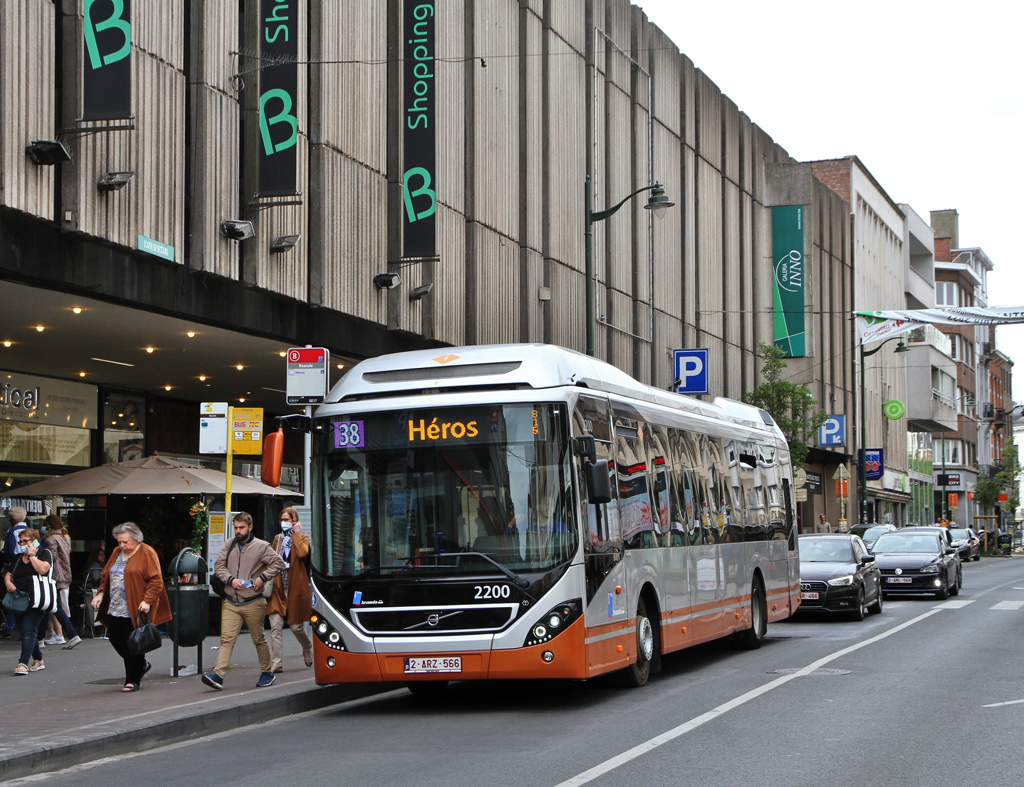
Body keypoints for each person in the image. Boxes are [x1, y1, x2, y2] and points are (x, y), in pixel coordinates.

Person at [203, 512, 285, 691]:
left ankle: (267, 672)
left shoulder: (261, 546)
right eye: (236, 528)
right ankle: (218, 675)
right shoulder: (229, 544)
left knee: (258, 639)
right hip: (232, 600)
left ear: (250, 527)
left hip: (253, 601)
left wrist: (262, 577)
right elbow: (218, 566)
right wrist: (231, 580)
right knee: (227, 639)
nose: (238, 531)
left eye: (241, 528)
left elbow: (278, 564)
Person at [90, 523, 172, 692]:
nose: (121, 546)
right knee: (114, 637)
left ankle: (132, 679)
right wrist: (100, 593)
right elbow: (106, 574)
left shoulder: (147, 552)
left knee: (132, 640)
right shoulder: (116, 552)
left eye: (125, 542)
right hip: (115, 604)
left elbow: (156, 580)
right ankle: (141, 665)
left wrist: (148, 601)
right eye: (119, 542)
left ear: (136, 539)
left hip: (135, 605)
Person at [266, 507, 313, 673]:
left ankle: (307, 647)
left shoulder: (302, 538)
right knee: (275, 627)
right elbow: (271, 559)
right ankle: (277, 662)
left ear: (295, 521)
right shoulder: (277, 539)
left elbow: (302, 553)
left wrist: (297, 534)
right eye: (282, 520)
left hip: (294, 589)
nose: (284, 523)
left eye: (287, 519)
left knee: (296, 627)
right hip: (278, 588)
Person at [4, 529, 51, 675]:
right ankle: (38, 659)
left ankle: (23, 663)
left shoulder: (44, 554)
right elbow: (9, 573)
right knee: (26, 631)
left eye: (26, 541)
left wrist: (32, 555)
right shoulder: (18, 557)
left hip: (37, 600)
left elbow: (43, 570)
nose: (23, 544)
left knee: (28, 630)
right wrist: (8, 582)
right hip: (20, 600)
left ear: (35, 541)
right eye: (21, 541)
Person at [41, 515, 81, 649]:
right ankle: (68, 634)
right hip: (63, 574)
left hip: (54, 576)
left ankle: (69, 634)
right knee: (52, 606)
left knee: (52, 606)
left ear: (49, 526)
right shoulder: (64, 537)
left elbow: (50, 557)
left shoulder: (51, 539)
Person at [1, 506, 29, 638]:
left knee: (14, 597)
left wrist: (7, 568)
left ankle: (9, 627)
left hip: (16, 567)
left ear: (12, 519)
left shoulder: (11, 532)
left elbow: (8, 553)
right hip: (30, 566)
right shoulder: (31, 531)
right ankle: (26, 628)